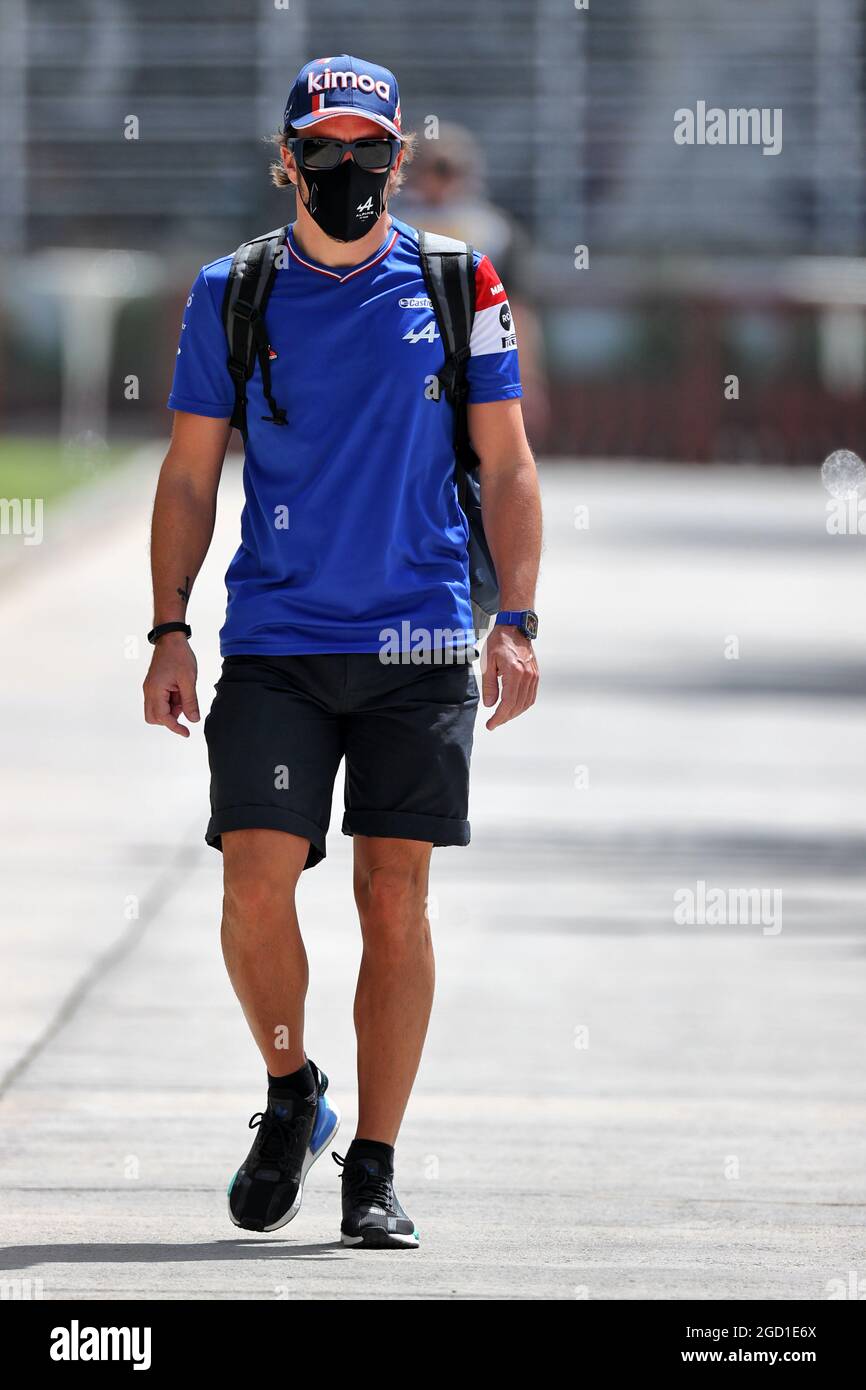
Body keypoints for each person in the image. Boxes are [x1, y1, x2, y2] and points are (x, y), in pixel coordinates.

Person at [143, 54, 541, 1250]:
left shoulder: (458, 282)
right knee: (253, 888)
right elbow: (187, 472)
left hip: (418, 642)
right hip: (274, 639)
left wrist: (513, 618)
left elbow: (510, 466)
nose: (348, 170)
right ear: (285, 160)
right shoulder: (232, 293)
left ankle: (372, 1164)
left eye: (370, 151)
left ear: (399, 159)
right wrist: (168, 624)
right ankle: (289, 1091)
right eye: (324, 150)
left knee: (393, 901)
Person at [400, 121, 551, 448]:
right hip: (406, 366)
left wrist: (528, 377)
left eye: (449, 169)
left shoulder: (496, 232)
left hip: (475, 367)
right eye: (434, 168)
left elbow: (516, 311)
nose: (441, 180)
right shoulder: (391, 228)